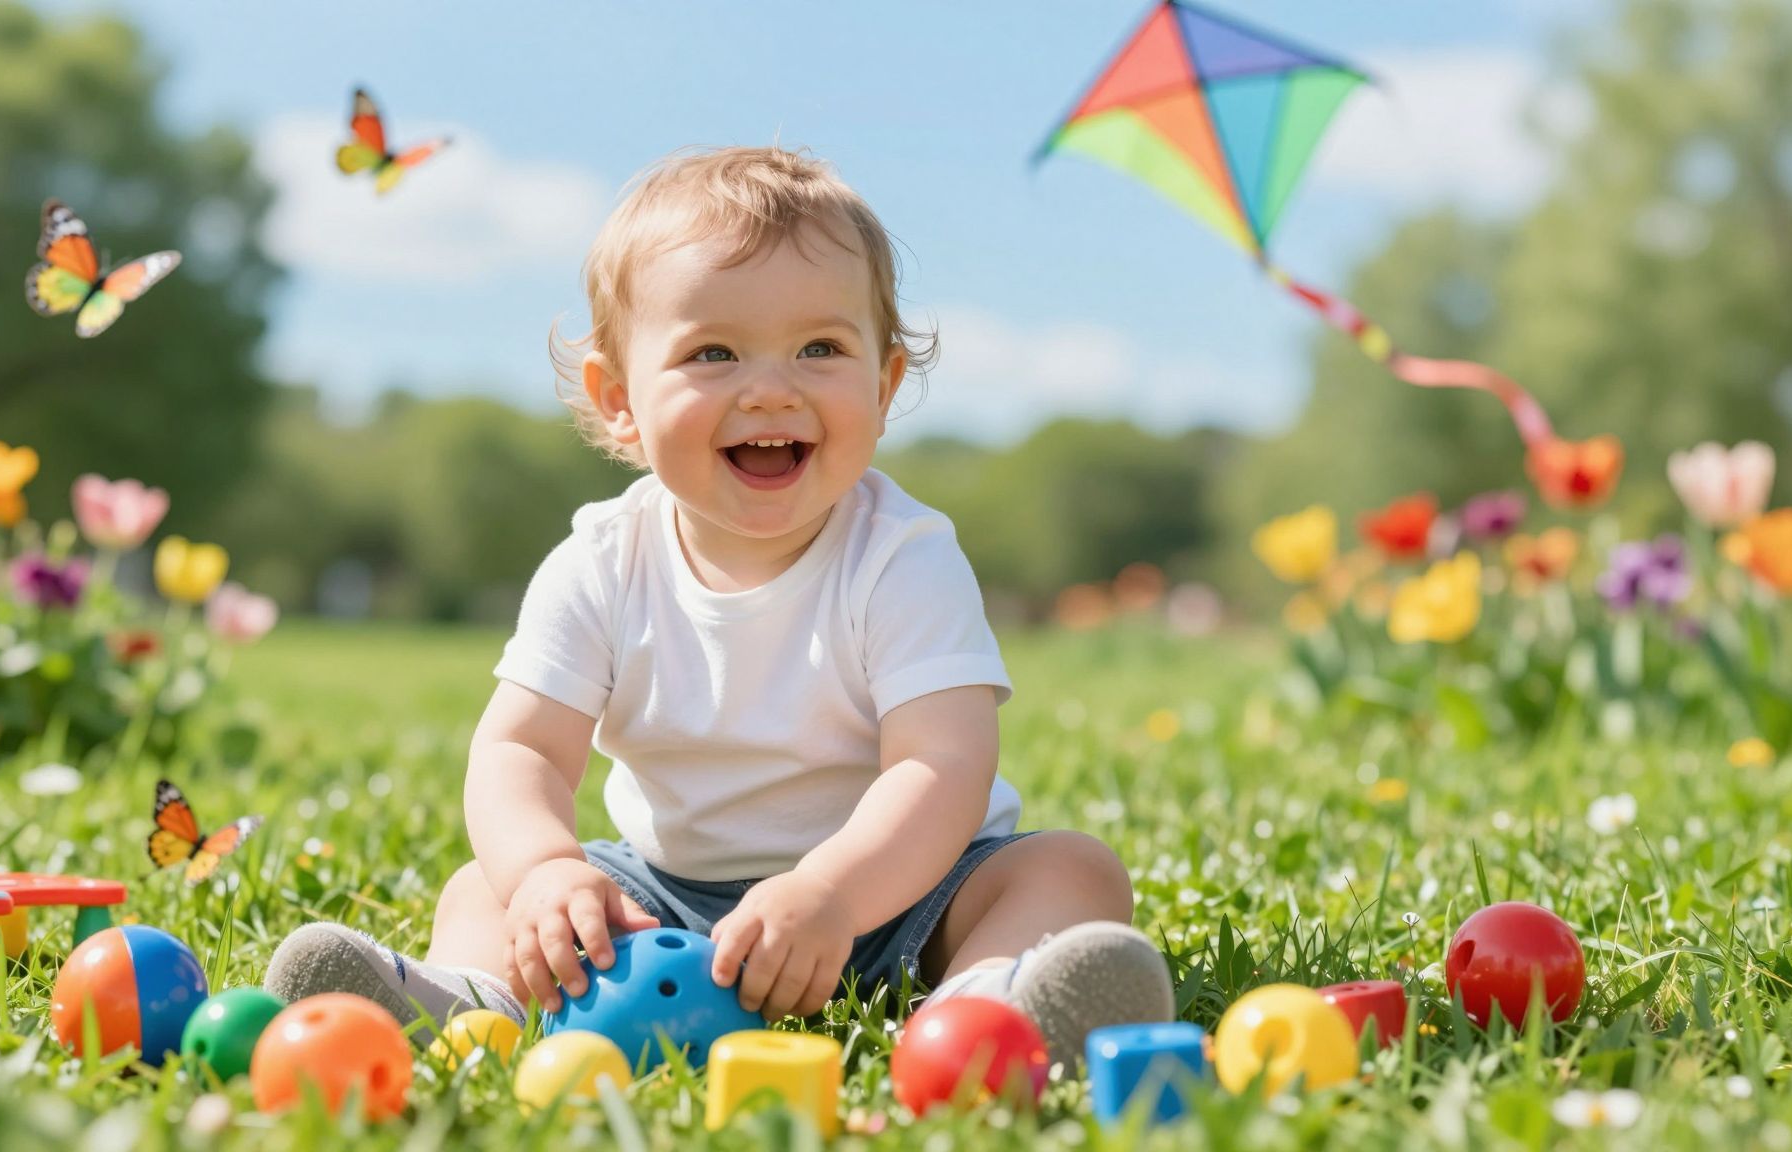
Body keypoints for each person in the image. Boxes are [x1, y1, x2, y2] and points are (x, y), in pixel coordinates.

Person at [267, 146, 1173, 1066]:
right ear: (620, 401)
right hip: (658, 900)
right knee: (485, 888)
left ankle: (990, 1010)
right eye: (713, 352)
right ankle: (469, 1005)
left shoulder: (903, 557)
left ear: (885, 384)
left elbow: (943, 766)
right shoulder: (602, 562)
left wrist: (831, 892)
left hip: (902, 899)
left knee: (1069, 870)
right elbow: (521, 748)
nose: (772, 387)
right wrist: (546, 870)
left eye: (821, 349)